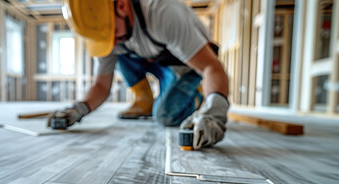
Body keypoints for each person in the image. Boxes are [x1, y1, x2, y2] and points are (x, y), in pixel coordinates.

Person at [49, 0, 230, 149]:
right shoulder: (106, 30)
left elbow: (211, 68)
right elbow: (101, 85)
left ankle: (197, 96)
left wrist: (213, 112)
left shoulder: (162, 12)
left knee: (165, 115)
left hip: (188, 65)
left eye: (112, 34)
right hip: (153, 58)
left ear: (121, 5)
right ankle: (144, 99)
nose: (110, 43)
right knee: (116, 54)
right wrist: (78, 109)